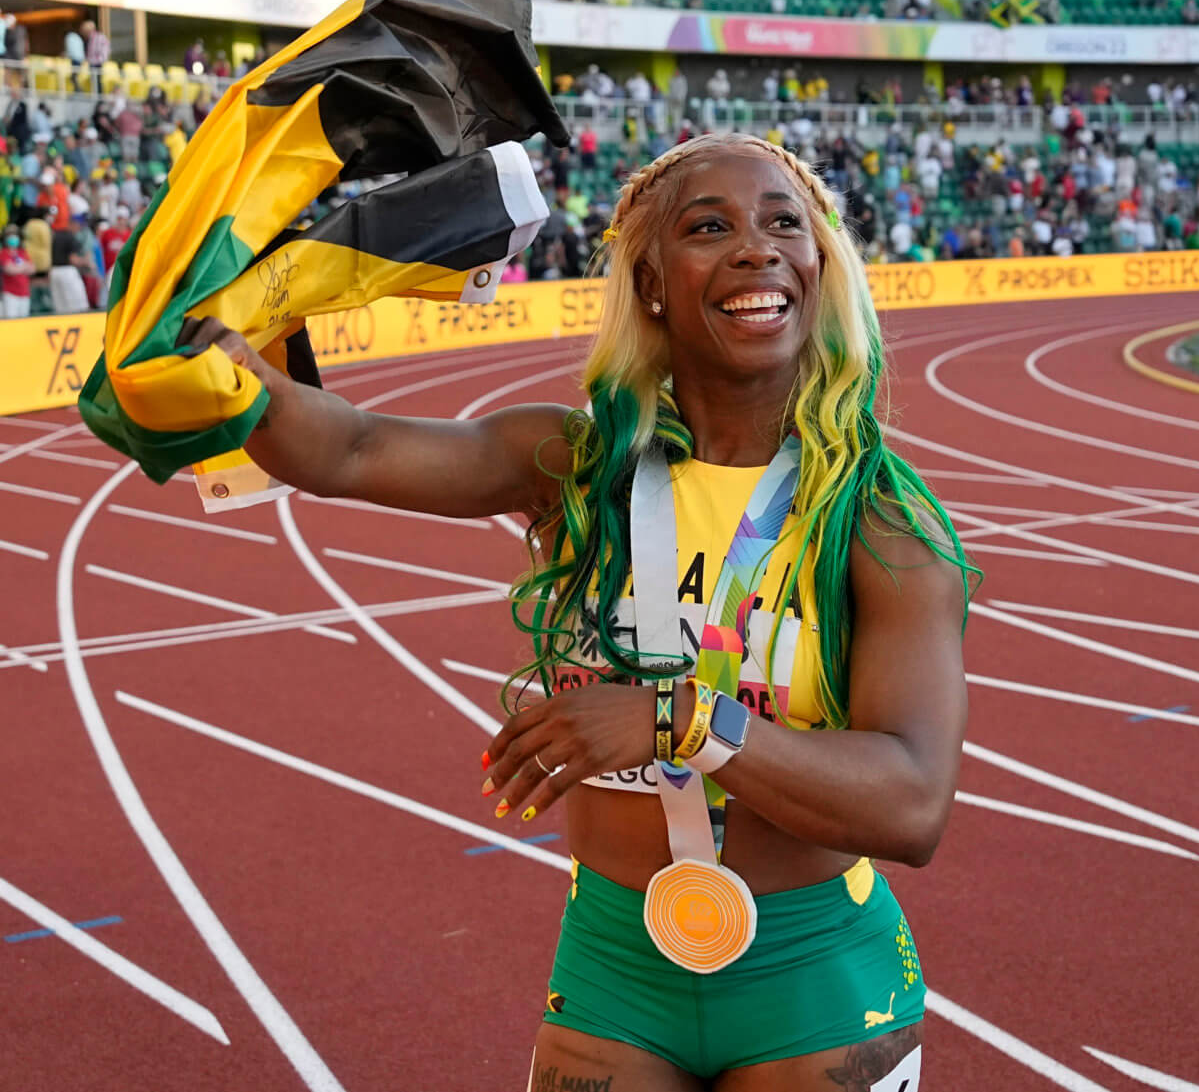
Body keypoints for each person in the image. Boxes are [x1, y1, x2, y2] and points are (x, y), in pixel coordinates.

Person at [178, 132, 974, 1089]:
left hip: (817, 974)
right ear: (649, 283)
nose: (757, 249)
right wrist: (234, 370)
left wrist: (675, 720)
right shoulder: (577, 468)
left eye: (783, 225)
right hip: (613, 966)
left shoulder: (876, 518)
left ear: (817, 263)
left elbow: (914, 802)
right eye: (709, 226)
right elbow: (346, 450)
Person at [0, 225, 33, 318]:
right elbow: (9, 270)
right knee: (11, 320)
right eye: (10, 235)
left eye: (15, 235)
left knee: (24, 320)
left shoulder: (22, 252)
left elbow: (32, 269)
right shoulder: (3, 252)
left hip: (24, 293)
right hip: (10, 293)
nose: (13, 238)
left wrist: (18, 268)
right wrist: (24, 267)